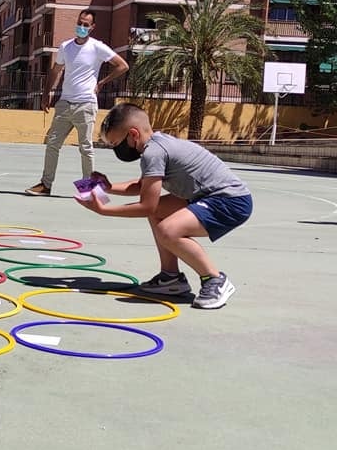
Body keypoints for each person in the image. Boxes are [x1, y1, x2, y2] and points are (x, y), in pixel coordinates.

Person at [76, 102, 253, 309]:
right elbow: (144, 187)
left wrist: (104, 210)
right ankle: (171, 278)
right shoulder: (156, 145)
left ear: (133, 135)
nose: (117, 150)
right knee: (159, 211)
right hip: (207, 195)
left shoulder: (153, 152)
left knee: (168, 231)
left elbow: (146, 206)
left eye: (116, 144)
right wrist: (109, 187)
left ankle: (214, 279)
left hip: (230, 200)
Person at [25, 9, 129, 196]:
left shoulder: (98, 47)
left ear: (92, 27)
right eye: (80, 23)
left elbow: (122, 65)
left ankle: (89, 190)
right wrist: (46, 93)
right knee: (52, 143)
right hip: (65, 103)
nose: (81, 27)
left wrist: (102, 83)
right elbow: (56, 70)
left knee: (85, 147)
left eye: (86, 25)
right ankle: (45, 185)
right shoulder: (66, 47)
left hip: (86, 104)